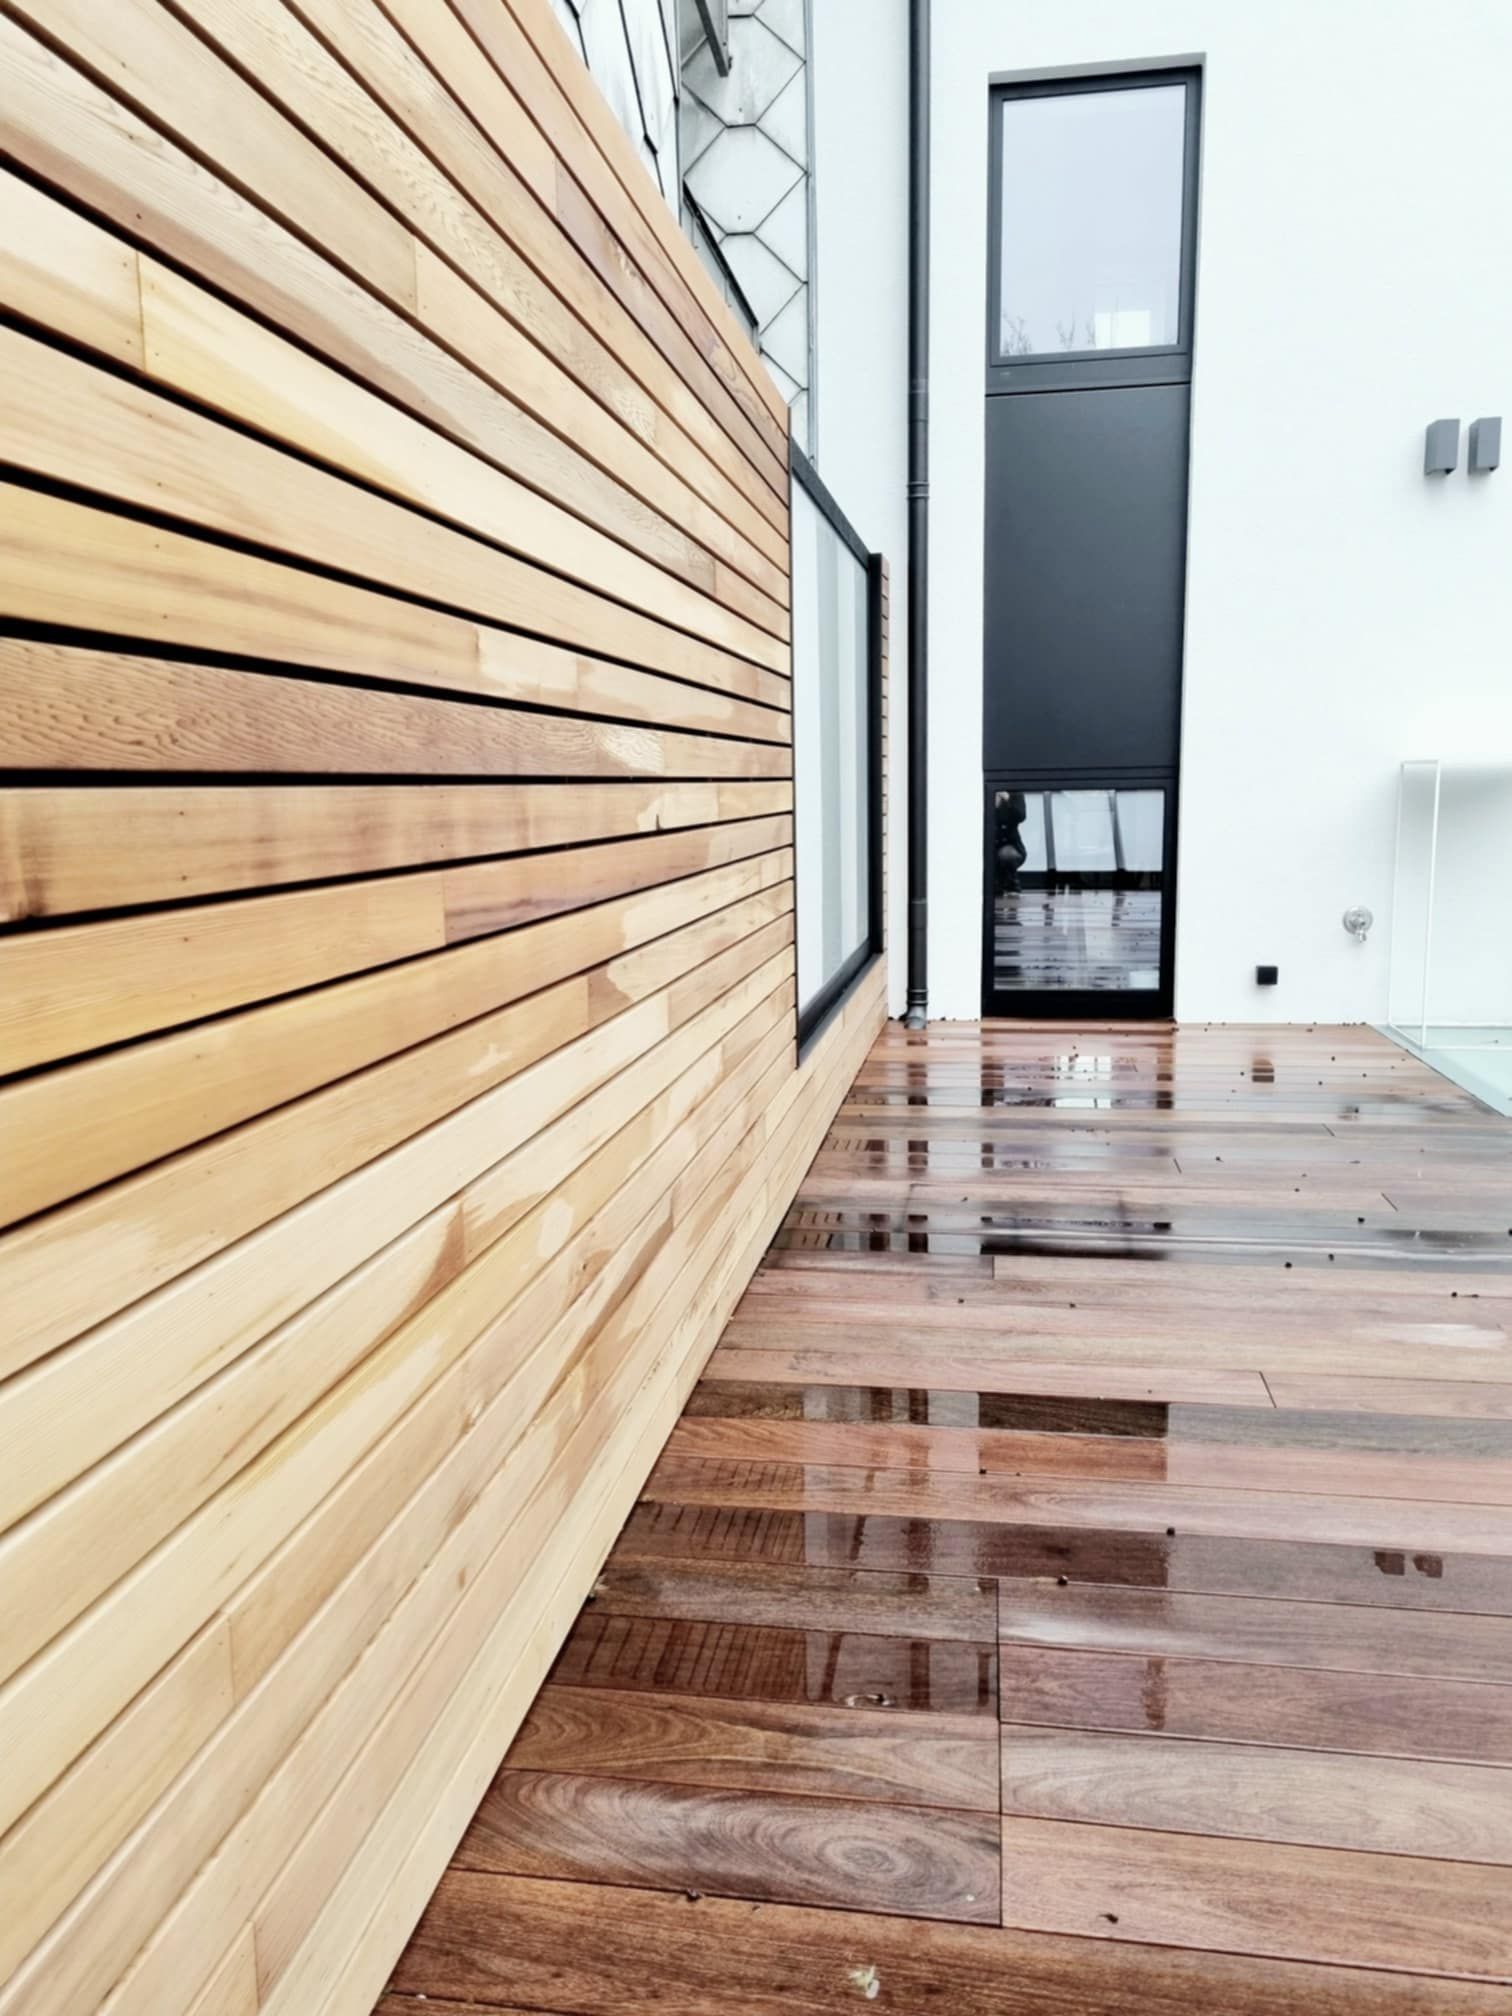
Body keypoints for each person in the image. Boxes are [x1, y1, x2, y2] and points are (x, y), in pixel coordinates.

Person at [994, 789, 1028, 891]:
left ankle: (1011, 883)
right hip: (987, 844)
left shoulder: (1014, 789)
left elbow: (1021, 815)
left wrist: (1008, 800)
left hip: (1008, 843)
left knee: (1007, 855)